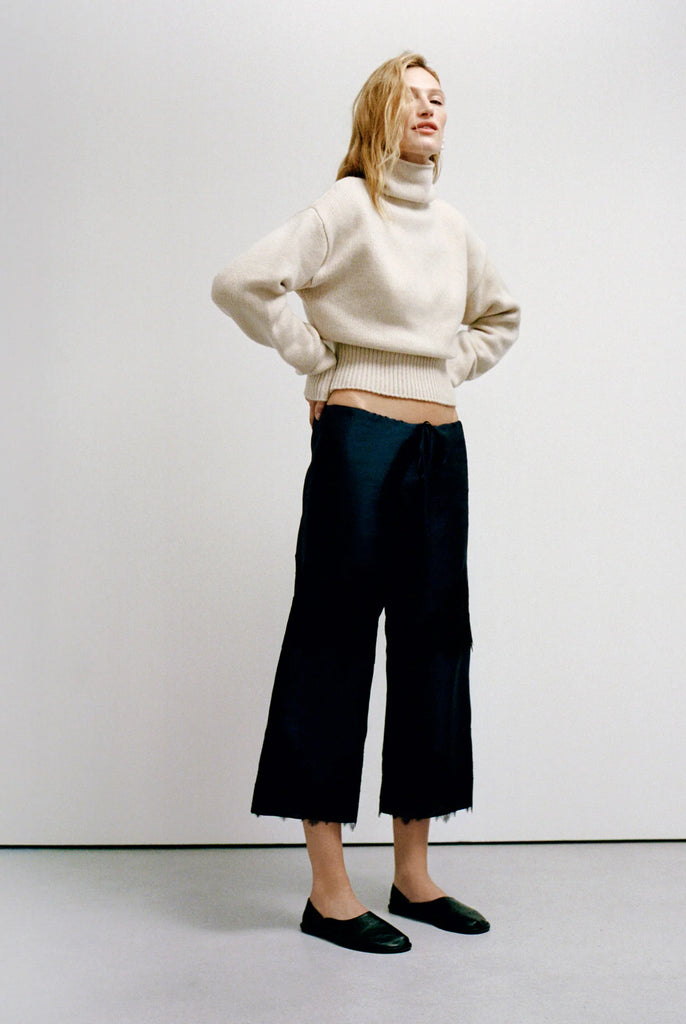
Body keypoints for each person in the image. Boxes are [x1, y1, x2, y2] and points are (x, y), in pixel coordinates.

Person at [211, 51, 520, 954]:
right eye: (412, 97)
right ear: (379, 112)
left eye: (440, 99)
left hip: (440, 446)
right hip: (360, 442)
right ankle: (329, 888)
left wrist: (445, 364)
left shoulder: (453, 226)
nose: (431, 110)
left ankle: (413, 876)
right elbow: (242, 282)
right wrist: (320, 361)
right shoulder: (348, 208)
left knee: (435, 644)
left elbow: (500, 317)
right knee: (333, 639)